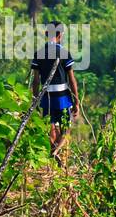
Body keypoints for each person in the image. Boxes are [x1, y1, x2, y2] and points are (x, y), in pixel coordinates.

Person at [30, 21, 80, 155]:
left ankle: (52, 151)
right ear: (60, 35)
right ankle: (56, 151)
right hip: (63, 97)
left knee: (50, 126)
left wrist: (35, 100)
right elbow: (72, 79)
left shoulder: (39, 54)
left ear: (47, 34)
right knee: (66, 128)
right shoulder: (64, 53)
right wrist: (76, 101)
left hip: (46, 97)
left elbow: (35, 81)